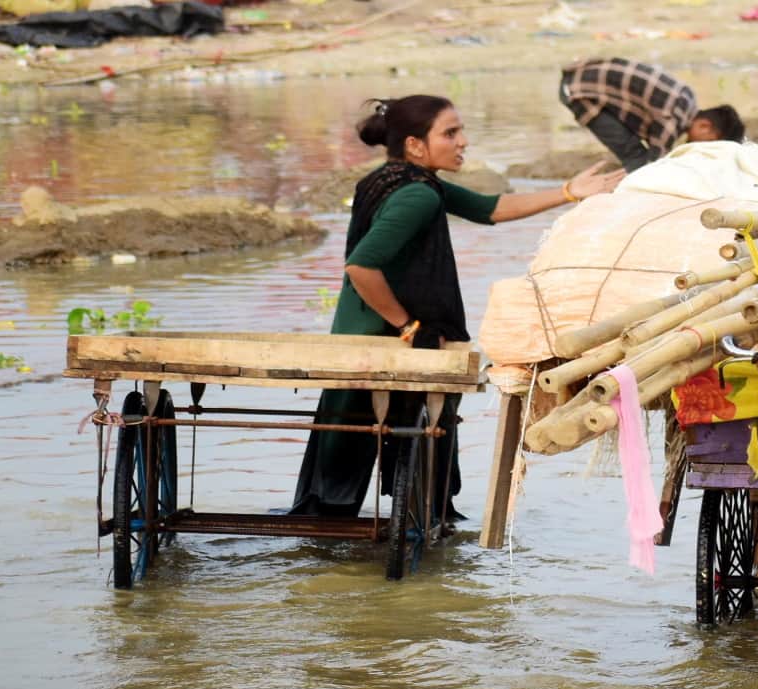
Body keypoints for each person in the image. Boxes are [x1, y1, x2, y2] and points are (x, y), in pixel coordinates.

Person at [290, 95, 623, 518]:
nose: (463, 140)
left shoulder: (396, 180)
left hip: (355, 337)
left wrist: (567, 192)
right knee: (424, 444)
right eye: (450, 133)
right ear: (415, 144)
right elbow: (361, 267)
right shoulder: (418, 196)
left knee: (340, 456)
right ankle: (420, 530)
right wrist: (408, 326)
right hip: (391, 344)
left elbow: (489, 209)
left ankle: (322, 540)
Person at [559, 59, 700, 170]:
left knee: (638, 155)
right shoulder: (672, 121)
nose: (701, 145)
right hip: (578, 91)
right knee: (636, 156)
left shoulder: (688, 98)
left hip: (580, 76)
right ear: (705, 125)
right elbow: (657, 164)